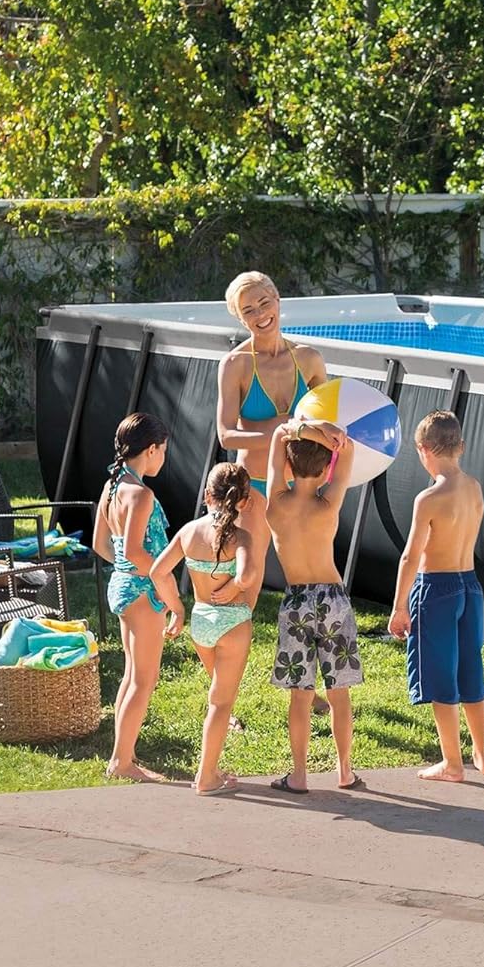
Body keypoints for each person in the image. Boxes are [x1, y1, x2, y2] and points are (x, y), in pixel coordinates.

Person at [215, 269, 336, 718]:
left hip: (301, 487)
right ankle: (224, 700)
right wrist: (286, 430)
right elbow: (227, 434)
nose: (260, 314)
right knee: (246, 588)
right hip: (255, 489)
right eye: (248, 309)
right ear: (240, 318)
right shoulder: (235, 365)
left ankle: (309, 688)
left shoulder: (310, 359)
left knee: (309, 588)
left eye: (264, 302)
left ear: (278, 298)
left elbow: (332, 424)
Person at [388, 411, 484, 782]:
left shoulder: (429, 498)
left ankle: (452, 764)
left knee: (440, 676)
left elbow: (411, 556)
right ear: (459, 446)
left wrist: (399, 606)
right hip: (470, 586)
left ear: (424, 449)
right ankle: (483, 754)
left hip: (436, 589)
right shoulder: (474, 487)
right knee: (471, 670)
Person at [263, 416, 364, 793]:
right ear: (326, 471)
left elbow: (279, 433)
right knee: (339, 693)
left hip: (296, 601)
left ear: (288, 467)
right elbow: (348, 450)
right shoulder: (328, 505)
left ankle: (299, 775)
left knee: (300, 695)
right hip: (333, 600)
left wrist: (309, 426)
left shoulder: (275, 505)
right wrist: (334, 434)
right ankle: (345, 772)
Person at [149, 462, 262, 796]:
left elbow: (158, 572)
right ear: (244, 501)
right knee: (221, 703)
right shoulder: (241, 537)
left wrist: (177, 609)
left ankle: (209, 770)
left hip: (201, 621)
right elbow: (248, 575)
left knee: (216, 696)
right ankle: (206, 776)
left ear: (207, 495)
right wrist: (234, 586)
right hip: (232, 623)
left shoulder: (189, 532)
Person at [92, 412, 184, 783]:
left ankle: (123, 754)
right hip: (143, 592)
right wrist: (168, 589)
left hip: (123, 587)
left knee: (133, 675)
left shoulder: (112, 485)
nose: (164, 458)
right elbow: (134, 551)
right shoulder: (141, 494)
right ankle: (121, 762)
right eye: (164, 450)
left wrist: (127, 572)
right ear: (151, 449)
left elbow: (101, 544)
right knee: (144, 679)